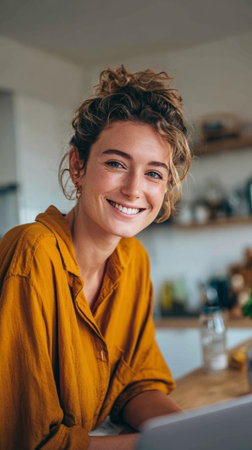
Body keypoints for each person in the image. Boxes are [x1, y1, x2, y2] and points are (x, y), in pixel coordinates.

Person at [0, 65, 191, 449]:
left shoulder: (133, 260)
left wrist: (190, 433)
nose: (134, 189)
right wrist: (154, 445)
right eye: (116, 163)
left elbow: (135, 383)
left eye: (154, 174)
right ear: (78, 166)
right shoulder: (32, 254)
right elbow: (28, 441)